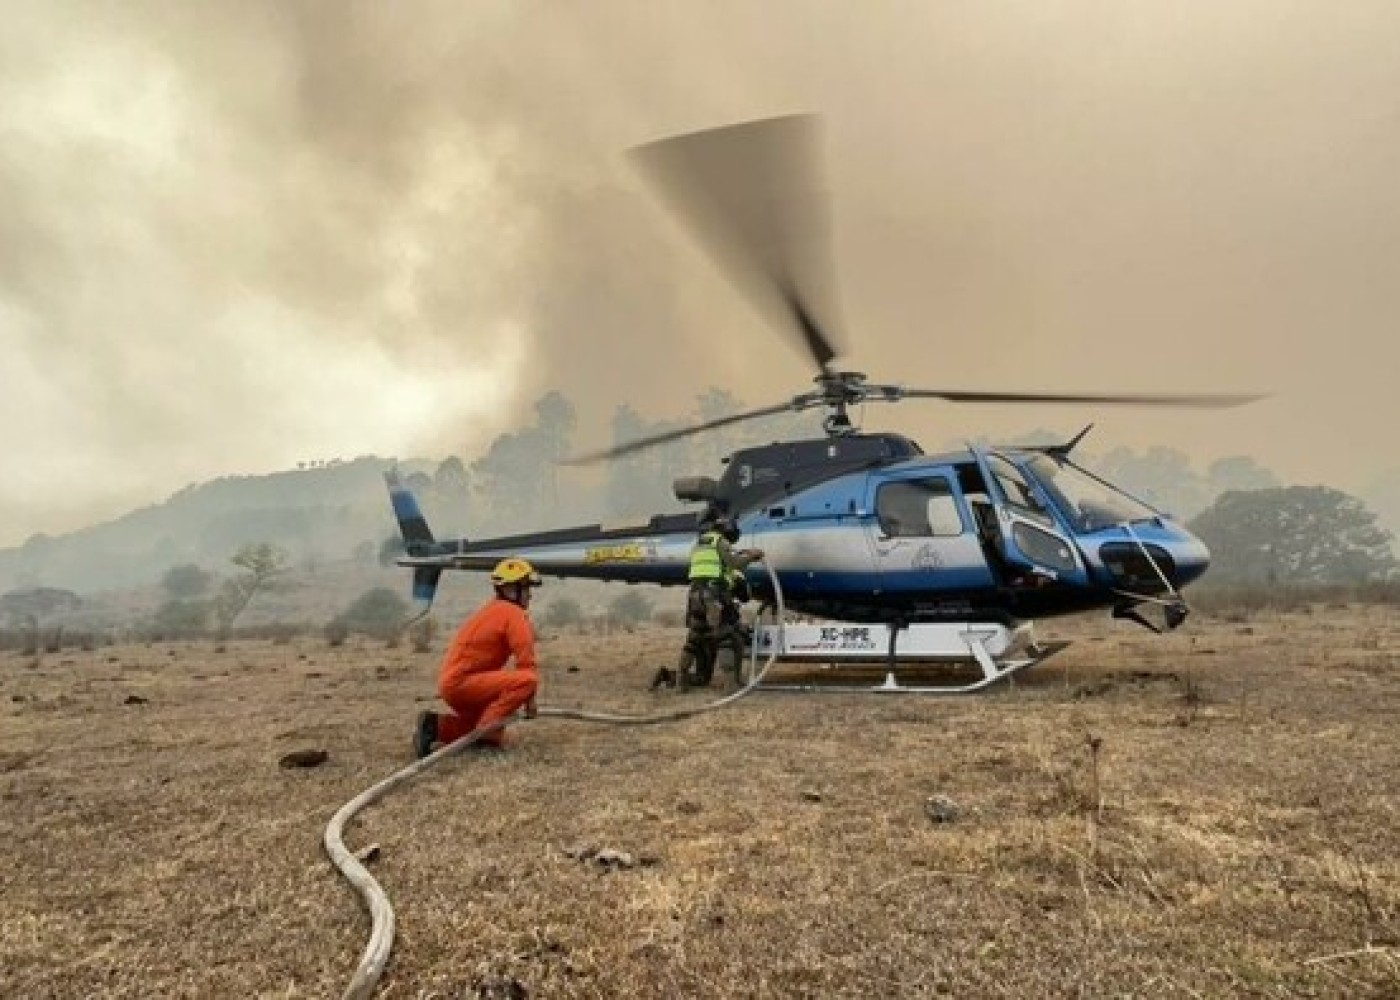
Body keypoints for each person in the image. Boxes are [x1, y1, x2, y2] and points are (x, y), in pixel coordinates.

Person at [413, 558, 541, 758]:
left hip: (454, 685)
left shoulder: (493, 609)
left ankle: (435, 727)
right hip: (465, 685)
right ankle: (486, 729)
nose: (530, 595)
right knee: (528, 680)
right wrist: (530, 702)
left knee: (492, 735)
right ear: (509, 589)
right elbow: (527, 664)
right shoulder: (512, 613)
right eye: (525, 588)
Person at [675, 516, 763, 690]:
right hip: (713, 596)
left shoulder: (700, 543)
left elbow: (711, 566)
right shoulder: (720, 542)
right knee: (725, 639)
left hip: (695, 595)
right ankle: (730, 685)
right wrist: (752, 557)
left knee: (693, 640)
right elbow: (734, 564)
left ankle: (680, 681)